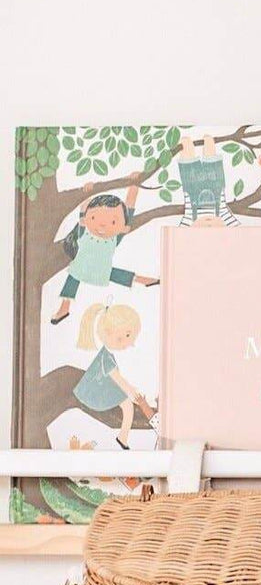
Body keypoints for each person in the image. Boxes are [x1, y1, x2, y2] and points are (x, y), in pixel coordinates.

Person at [50, 177, 159, 324]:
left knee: (113, 274)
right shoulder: (83, 232)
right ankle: (64, 308)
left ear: (122, 226)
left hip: (101, 270)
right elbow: (84, 208)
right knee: (74, 279)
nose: (102, 225)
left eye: (112, 222)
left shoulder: (115, 237)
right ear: (87, 219)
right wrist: (88, 190)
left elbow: (130, 208)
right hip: (81, 267)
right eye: (94, 218)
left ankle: (144, 280)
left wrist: (134, 185)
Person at [72, 302, 155, 449]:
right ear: (109, 332)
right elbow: (118, 379)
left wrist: (130, 389)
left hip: (102, 386)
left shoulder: (107, 355)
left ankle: (122, 437)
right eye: (126, 336)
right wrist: (132, 393)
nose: (130, 343)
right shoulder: (106, 357)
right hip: (97, 391)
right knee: (128, 405)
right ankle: (122, 438)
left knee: (128, 402)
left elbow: (119, 380)